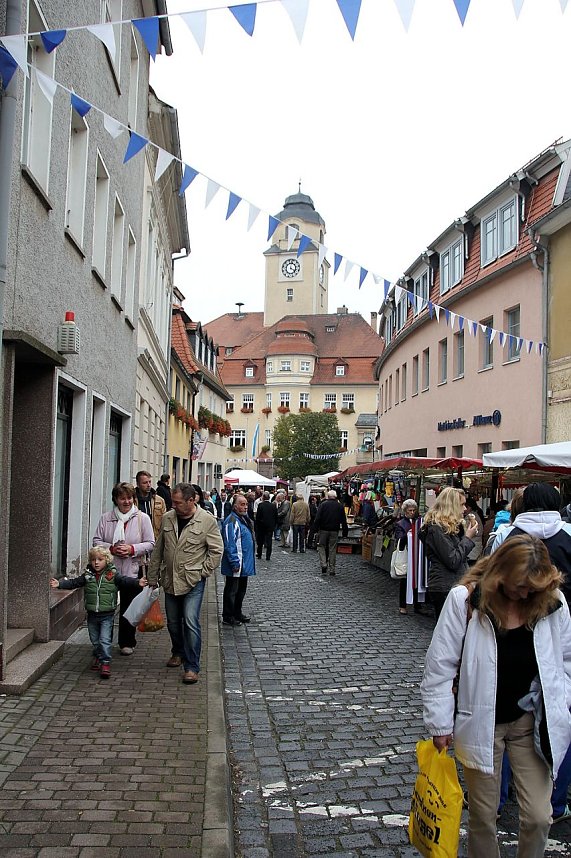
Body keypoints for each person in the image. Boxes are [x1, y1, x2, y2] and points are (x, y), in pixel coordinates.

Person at [421, 535, 571, 856]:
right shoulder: (466, 600)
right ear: (500, 574)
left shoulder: (552, 602)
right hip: (481, 724)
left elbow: (567, 661)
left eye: (533, 588)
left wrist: (562, 704)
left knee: (539, 816)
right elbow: (440, 666)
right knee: (483, 816)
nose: (526, 593)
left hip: (531, 722)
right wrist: (440, 724)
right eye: (520, 586)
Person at [146, 483, 224, 684]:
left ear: (191, 500)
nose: (174, 505)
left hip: (193, 581)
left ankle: (192, 666)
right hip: (170, 579)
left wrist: (203, 572)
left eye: (178, 502)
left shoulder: (206, 520)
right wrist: (152, 577)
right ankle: (178, 651)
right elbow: (158, 550)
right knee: (173, 622)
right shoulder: (168, 518)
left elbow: (216, 550)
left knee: (190, 621)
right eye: (173, 502)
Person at [50, 546, 145, 678]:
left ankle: (105, 662)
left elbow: (125, 581)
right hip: (92, 615)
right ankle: (98, 655)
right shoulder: (88, 575)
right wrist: (60, 584)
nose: (96, 562)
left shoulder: (112, 574)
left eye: (100, 559)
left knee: (105, 639)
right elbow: (74, 582)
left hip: (107, 615)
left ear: (107, 560)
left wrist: (137, 582)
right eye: (94, 560)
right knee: (95, 640)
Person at [93, 482, 155, 655]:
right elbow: (96, 541)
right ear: (115, 500)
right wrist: (111, 549)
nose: (126, 501)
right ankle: (103, 642)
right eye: (122, 498)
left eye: (129, 498)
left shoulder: (142, 518)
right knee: (106, 607)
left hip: (132, 570)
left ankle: (127, 642)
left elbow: (151, 543)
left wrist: (132, 549)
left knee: (129, 607)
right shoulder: (106, 518)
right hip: (108, 570)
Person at [419, 486, 477, 620]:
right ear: (451, 506)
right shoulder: (436, 528)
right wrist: (468, 538)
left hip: (453, 585)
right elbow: (453, 560)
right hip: (445, 587)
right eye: (462, 504)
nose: (465, 509)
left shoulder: (449, 527)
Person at [221, 494, 256, 626]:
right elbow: (230, 543)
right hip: (237, 563)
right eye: (242, 504)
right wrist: (234, 561)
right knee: (232, 591)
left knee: (241, 590)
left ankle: (237, 612)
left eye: (246, 504)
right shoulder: (231, 521)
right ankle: (228, 615)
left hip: (244, 563)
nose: (245, 507)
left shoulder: (243, 519)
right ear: (235, 506)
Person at [393, 499, 423, 615]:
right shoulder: (400, 524)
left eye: (413, 510)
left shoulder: (418, 522)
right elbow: (400, 539)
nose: (412, 512)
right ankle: (403, 605)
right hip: (407, 555)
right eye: (410, 510)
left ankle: (418, 605)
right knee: (405, 580)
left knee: (418, 578)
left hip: (417, 554)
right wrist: (408, 534)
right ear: (405, 511)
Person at [312, 489, 349, 576]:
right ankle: (332, 568)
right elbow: (344, 520)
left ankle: (324, 564)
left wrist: (315, 529)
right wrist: (345, 532)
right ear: (335, 497)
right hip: (334, 530)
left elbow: (318, 518)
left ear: (328, 497)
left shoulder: (323, 505)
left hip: (323, 530)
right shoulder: (340, 506)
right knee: (332, 548)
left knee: (321, 546)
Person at [135, 470, 166, 539]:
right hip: (136, 538)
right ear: (138, 484)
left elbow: (164, 521)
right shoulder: (132, 500)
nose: (148, 485)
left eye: (149, 482)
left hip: (154, 538)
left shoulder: (159, 500)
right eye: (145, 483)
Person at [255, 491, 278, 561]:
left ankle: (259, 554)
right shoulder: (273, 506)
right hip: (270, 526)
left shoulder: (260, 505)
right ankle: (268, 556)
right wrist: (274, 525)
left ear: (263, 497)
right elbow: (276, 516)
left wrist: (257, 525)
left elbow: (258, 517)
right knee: (269, 541)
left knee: (260, 541)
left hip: (261, 526)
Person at [465, 495, 483, 565]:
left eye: (466, 506)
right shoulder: (475, 515)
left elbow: (466, 532)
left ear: (470, 507)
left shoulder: (471, 517)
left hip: (472, 549)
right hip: (475, 547)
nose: (464, 509)